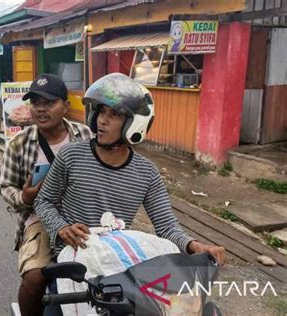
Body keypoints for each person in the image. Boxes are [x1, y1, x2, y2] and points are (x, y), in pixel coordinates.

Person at [35, 73, 226, 265]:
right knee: (34, 279)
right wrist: (62, 228)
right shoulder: (71, 155)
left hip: (115, 258)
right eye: (101, 111)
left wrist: (196, 246)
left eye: (114, 114)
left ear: (134, 124)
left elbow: (167, 227)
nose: (102, 120)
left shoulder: (147, 173)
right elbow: (43, 201)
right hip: (71, 254)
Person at [0, 74, 92, 316]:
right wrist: (25, 198)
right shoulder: (18, 144)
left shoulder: (85, 136)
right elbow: (6, 187)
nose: (41, 109)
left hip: (83, 217)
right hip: (38, 219)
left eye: (49, 102)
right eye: (35, 102)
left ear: (66, 106)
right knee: (35, 278)